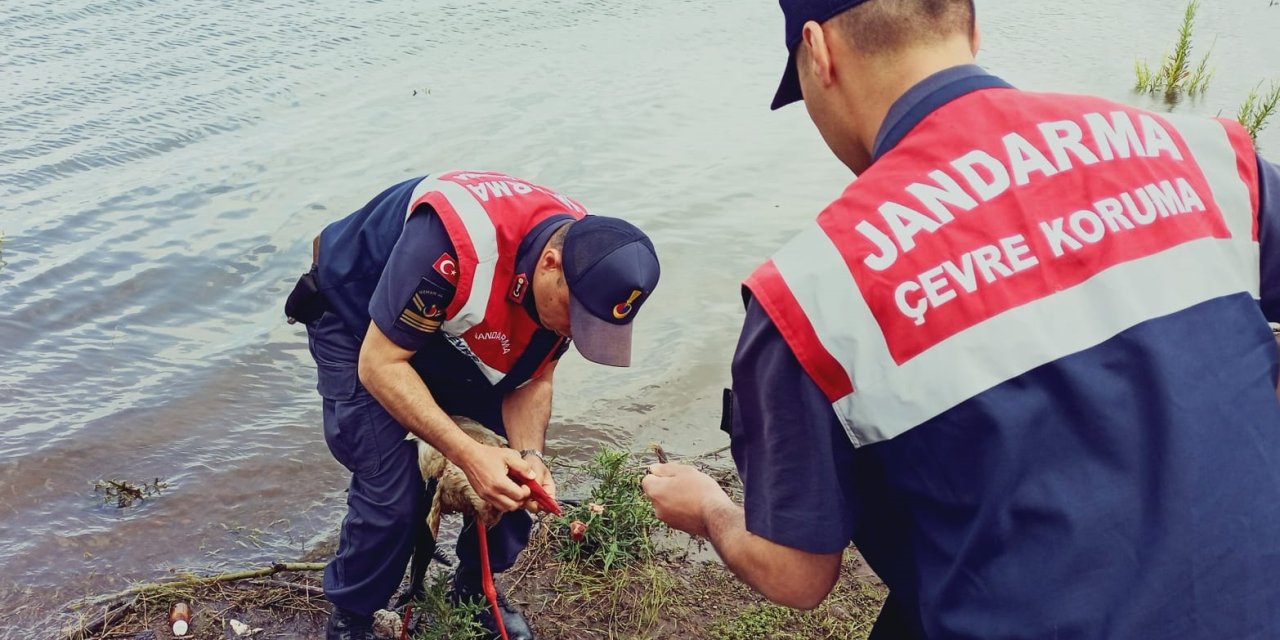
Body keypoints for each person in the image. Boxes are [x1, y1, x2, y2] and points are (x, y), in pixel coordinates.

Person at [643, 1, 1280, 638]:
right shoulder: (1205, 156)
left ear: (818, 52)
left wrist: (709, 510)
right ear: (971, 28)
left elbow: (798, 575)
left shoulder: (811, 292)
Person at [289, 169, 660, 640]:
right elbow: (381, 366)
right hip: (358, 321)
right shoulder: (454, 242)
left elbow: (533, 377)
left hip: (450, 323)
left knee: (511, 477)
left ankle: (473, 588)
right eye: (575, 318)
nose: (573, 333)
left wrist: (530, 457)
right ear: (549, 264)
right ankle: (353, 617)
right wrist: (468, 454)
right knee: (392, 492)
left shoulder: (591, 263)